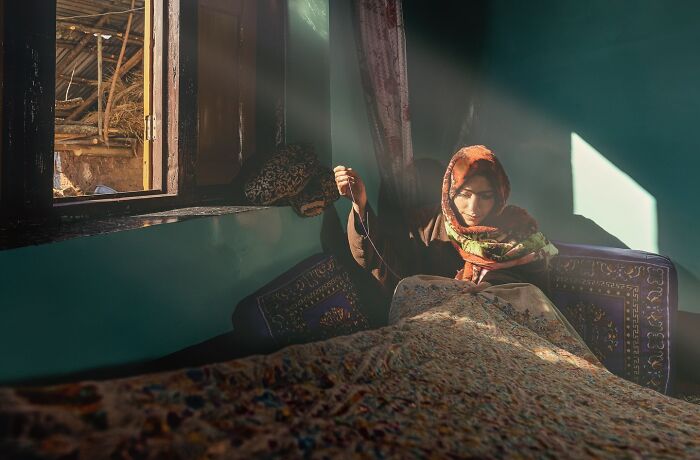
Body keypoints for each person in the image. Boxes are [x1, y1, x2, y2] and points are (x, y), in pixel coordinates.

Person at [333, 145, 559, 297]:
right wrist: (360, 205)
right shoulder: (427, 226)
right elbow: (382, 262)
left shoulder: (519, 230)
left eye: (485, 196)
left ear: (499, 197)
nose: (473, 208)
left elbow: (537, 297)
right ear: (450, 193)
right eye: (465, 194)